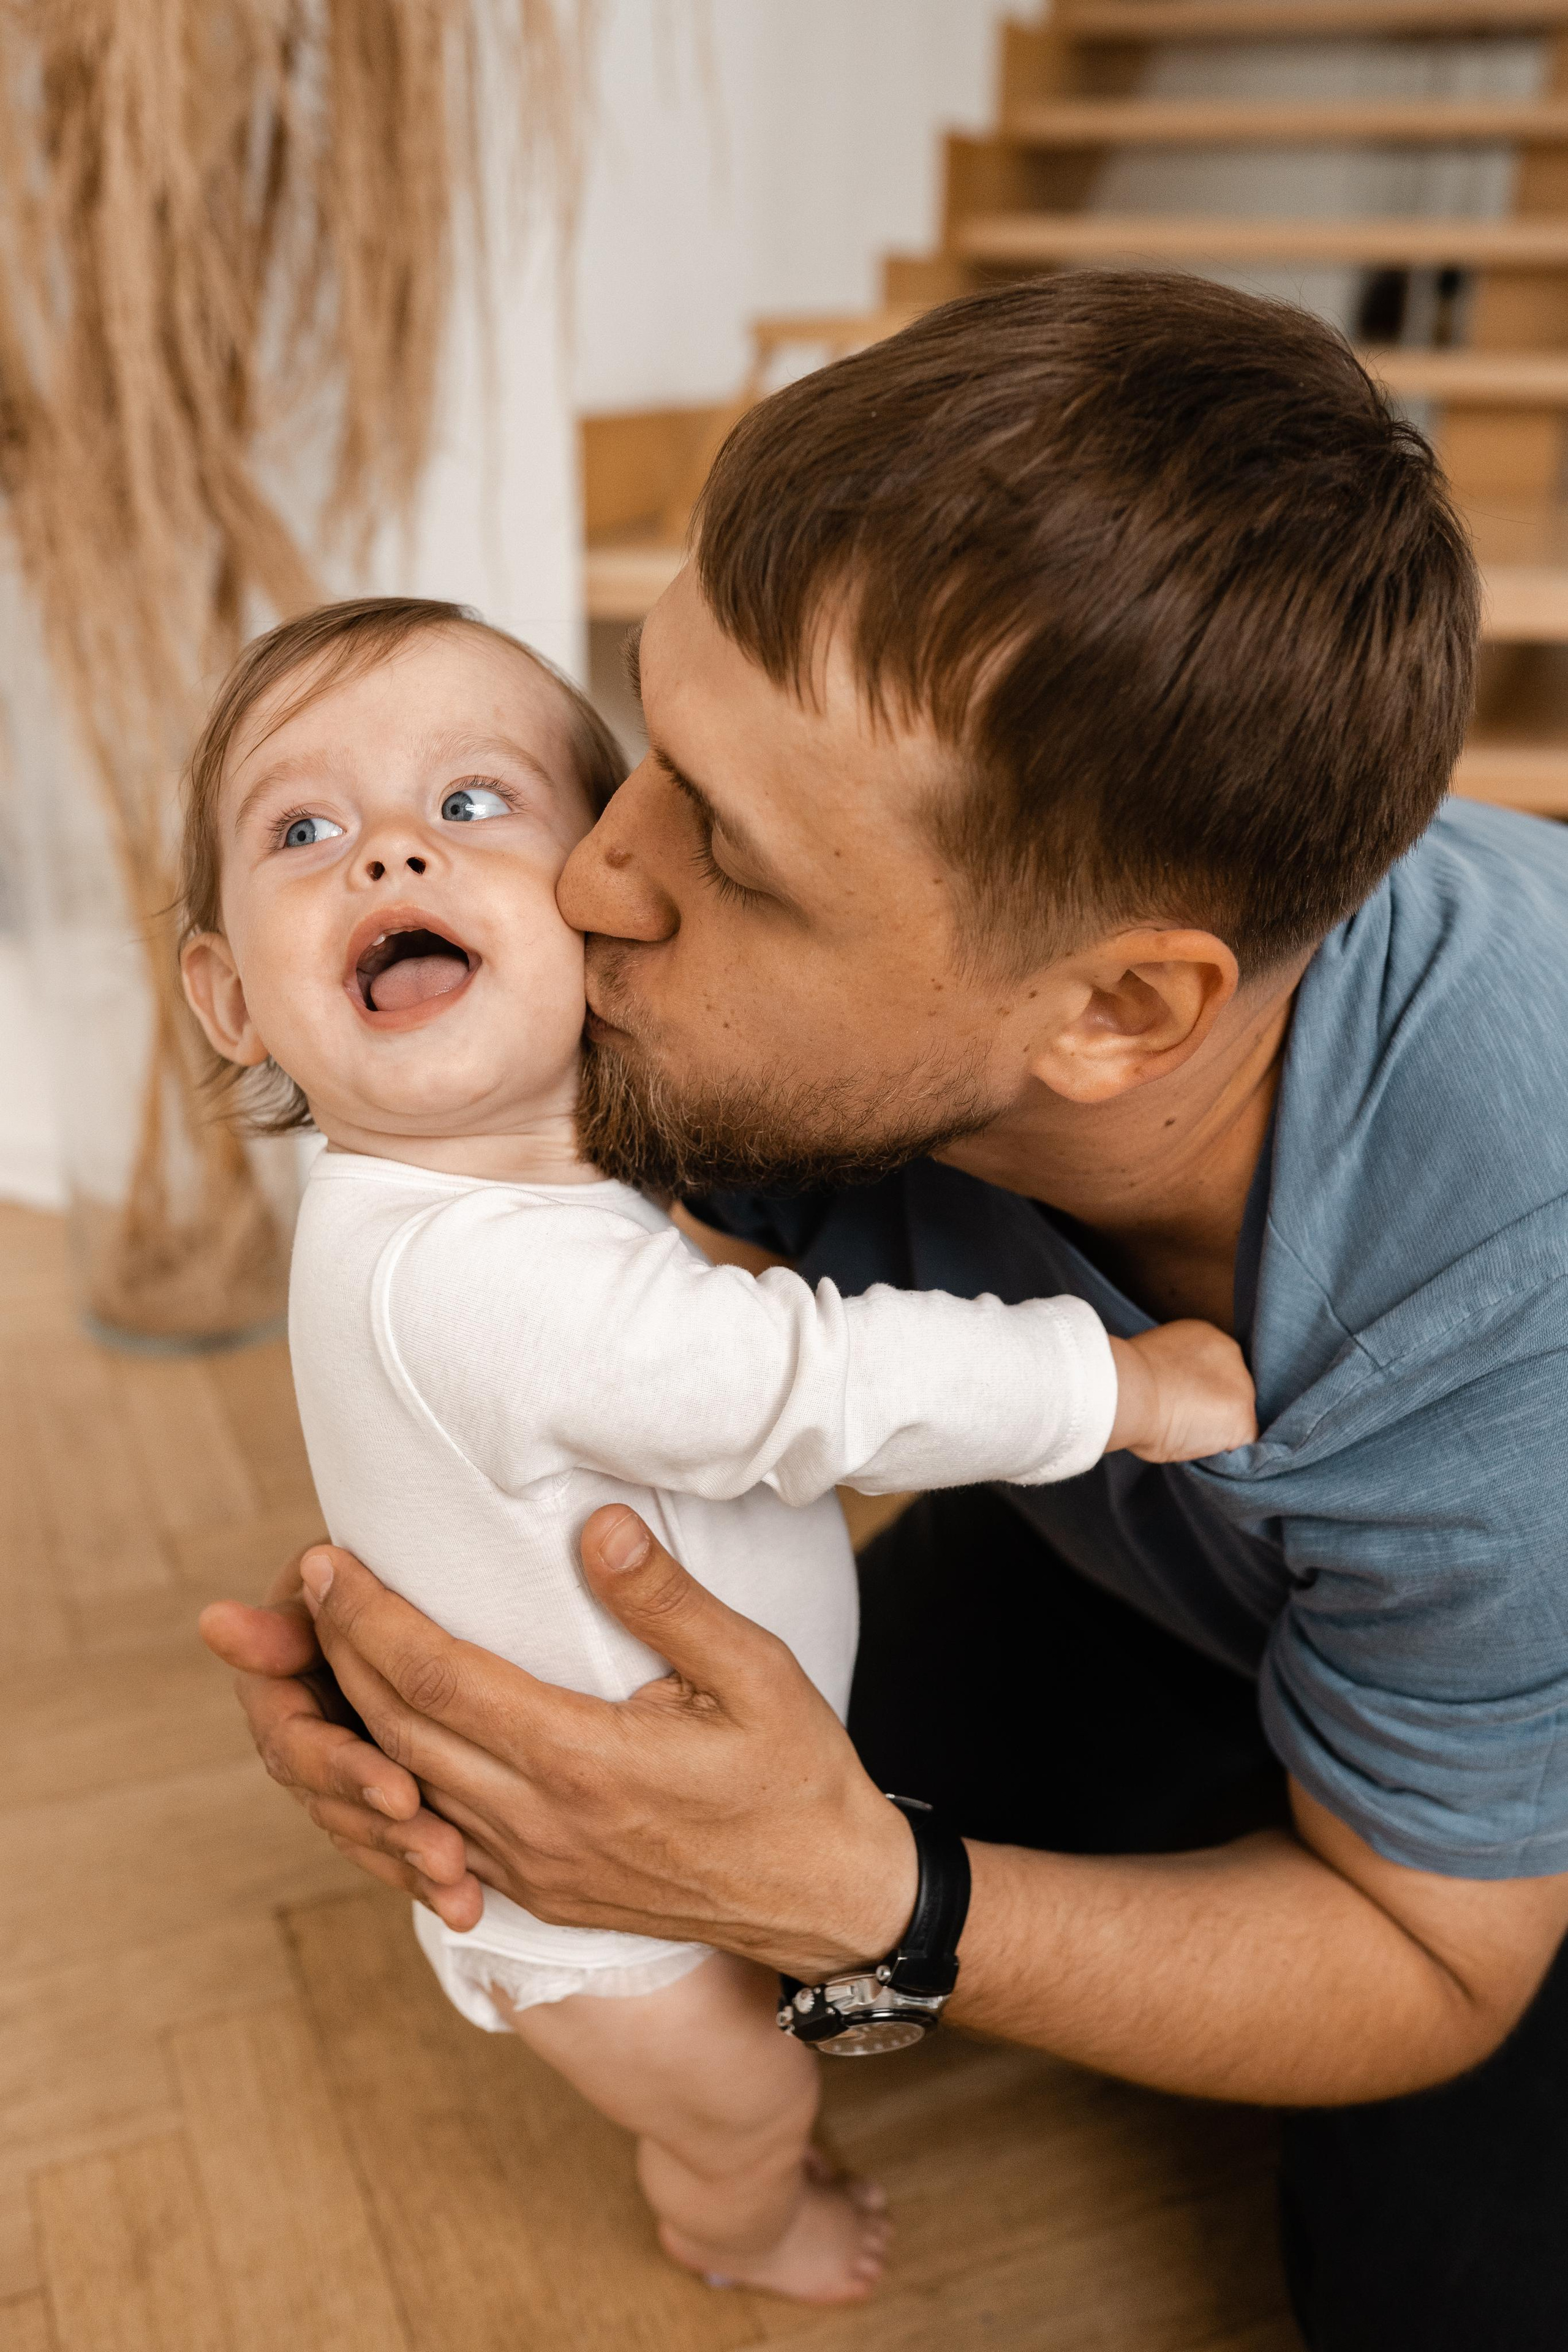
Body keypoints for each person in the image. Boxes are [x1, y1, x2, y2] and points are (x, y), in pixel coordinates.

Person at [202, 276, 1568, 2351]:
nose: (593, 880)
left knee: (1441, 2293)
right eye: (643, 738)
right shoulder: (771, 1002)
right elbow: (516, 1320)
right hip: (1178, 1553)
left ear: (1116, 1013)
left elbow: (1432, 1963)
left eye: (726, 855)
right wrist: (437, 1648)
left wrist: (880, 1905)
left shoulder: (1513, 1280)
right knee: (660, 1811)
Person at [178, 593, 1253, 2305]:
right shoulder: (465, 1266)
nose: (388, 856)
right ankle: (735, 2215)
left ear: (599, 903)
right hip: (600, 1920)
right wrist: (1116, 1389)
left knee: (762, 2022)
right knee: (748, 2093)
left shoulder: (487, 1197)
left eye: (470, 807)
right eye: (305, 830)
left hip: (633, 1826)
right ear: (232, 997)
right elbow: (794, 1384)